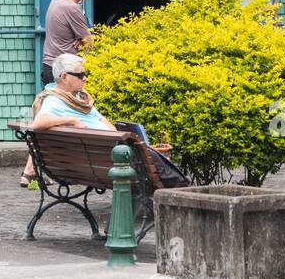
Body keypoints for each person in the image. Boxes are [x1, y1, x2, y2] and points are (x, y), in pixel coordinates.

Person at [32, 53, 188, 188]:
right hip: (111, 158)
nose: (84, 78)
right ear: (64, 77)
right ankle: (182, 191)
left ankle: (180, 189)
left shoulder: (78, 98)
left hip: (104, 156)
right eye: (80, 75)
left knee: (150, 154)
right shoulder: (55, 100)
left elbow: (101, 120)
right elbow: (38, 123)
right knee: (151, 158)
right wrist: (72, 120)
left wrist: (118, 137)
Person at [22, 0, 99, 186]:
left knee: (50, 117)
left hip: (51, 67)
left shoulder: (55, 2)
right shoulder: (72, 8)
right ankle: (31, 170)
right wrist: (82, 41)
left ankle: (29, 171)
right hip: (66, 74)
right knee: (56, 120)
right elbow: (90, 43)